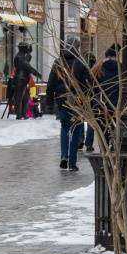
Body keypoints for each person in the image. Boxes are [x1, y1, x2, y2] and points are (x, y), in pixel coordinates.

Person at [45, 42, 91, 171]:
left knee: (65, 127)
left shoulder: (58, 62)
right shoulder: (80, 63)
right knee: (76, 129)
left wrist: (49, 102)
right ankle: (72, 162)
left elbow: (51, 83)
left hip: (61, 99)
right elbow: (88, 83)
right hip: (77, 100)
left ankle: (64, 156)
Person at [7, 45, 38, 120]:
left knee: (26, 98)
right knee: (19, 98)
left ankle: (24, 114)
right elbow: (27, 66)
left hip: (24, 80)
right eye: (26, 48)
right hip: (20, 80)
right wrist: (37, 74)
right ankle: (19, 115)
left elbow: (26, 62)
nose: (27, 49)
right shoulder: (19, 57)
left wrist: (29, 53)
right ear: (23, 48)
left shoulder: (21, 56)